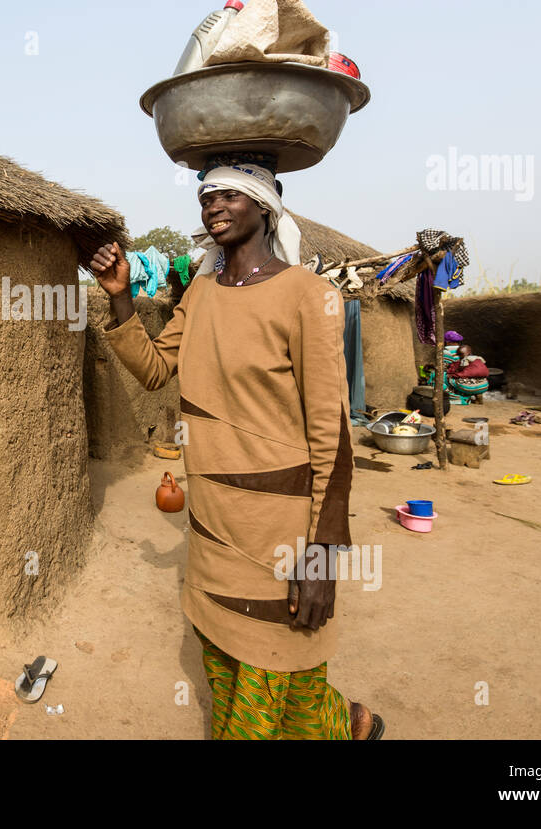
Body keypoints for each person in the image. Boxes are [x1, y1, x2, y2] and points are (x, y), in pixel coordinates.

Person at [88, 162, 382, 740]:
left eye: (229, 196)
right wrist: (120, 298)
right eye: (206, 197)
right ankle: (343, 725)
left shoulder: (307, 295)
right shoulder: (200, 294)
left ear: (264, 206)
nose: (213, 206)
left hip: (279, 529)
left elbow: (333, 436)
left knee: (273, 666)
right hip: (213, 522)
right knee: (226, 661)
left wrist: (322, 560)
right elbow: (153, 370)